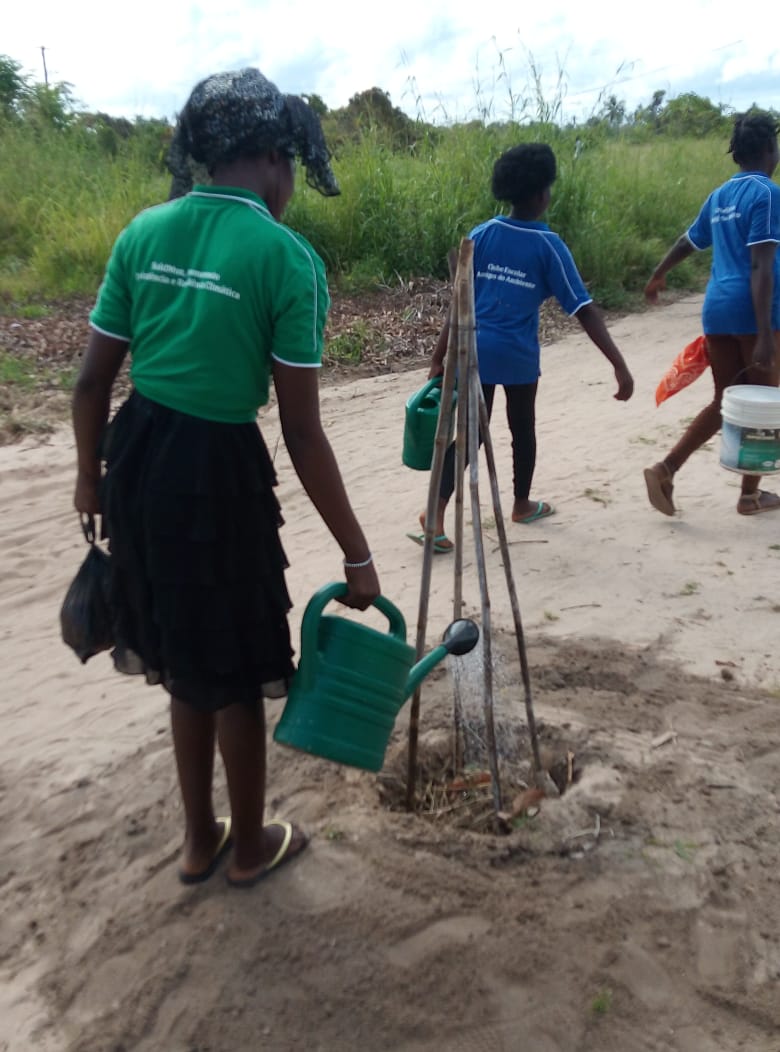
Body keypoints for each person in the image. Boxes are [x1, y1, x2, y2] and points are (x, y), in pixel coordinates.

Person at [71, 68, 380, 888]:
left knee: (181, 656)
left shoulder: (143, 232)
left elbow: (90, 385)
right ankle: (249, 847)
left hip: (135, 458)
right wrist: (356, 552)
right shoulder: (287, 259)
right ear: (276, 157)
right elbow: (303, 432)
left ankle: (197, 838)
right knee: (238, 668)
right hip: (217, 474)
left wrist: (88, 480)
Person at [411, 143, 633, 551]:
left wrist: (438, 355)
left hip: (472, 352)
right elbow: (584, 309)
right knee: (522, 430)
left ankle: (434, 514)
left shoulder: (480, 235)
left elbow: (459, 302)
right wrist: (619, 364)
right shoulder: (548, 246)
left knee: (470, 435)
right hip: (516, 356)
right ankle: (521, 504)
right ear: (539, 194)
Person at [643, 111, 780, 516]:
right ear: (770, 149)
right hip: (754, 312)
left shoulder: (719, 196)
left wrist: (658, 273)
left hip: (716, 309)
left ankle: (666, 469)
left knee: (727, 399)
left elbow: (689, 241)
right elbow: (760, 265)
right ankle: (750, 495)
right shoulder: (768, 194)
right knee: (764, 400)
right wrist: (765, 335)